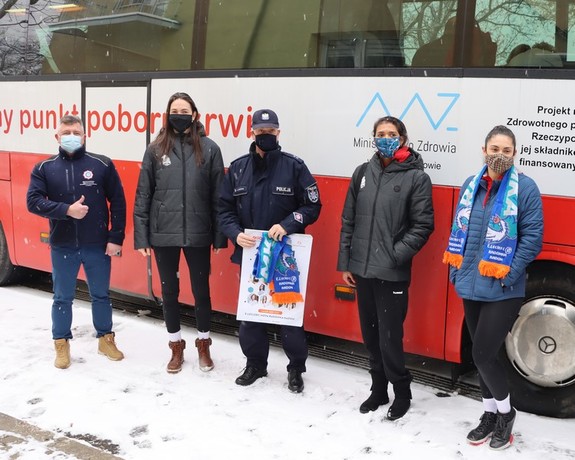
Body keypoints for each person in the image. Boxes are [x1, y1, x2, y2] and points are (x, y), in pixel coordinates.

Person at [443, 125, 543, 450]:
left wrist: (509, 275)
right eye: (494, 149)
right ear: (483, 150)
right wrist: (456, 273)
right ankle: (488, 414)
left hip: (503, 287)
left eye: (506, 150)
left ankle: (506, 413)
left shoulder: (525, 189)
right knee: (481, 355)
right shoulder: (471, 186)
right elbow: (460, 230)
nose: (500, 155)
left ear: (515, 154)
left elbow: (532, 239)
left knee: (483, 353)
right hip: (470, 284)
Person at [337, 116, 434, 420]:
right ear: (374, 138)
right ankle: (378, 389)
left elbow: (423, 226)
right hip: (363, 271)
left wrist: (394, 255)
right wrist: (346, 262)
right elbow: (348, 220)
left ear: (403, 138)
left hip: (392, 272)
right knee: (370, 336)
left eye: (392, 134)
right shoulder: (362, 173)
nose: (386, 138)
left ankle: (401, 392)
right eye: (381, 134)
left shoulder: (417, 178)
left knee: (390, 338)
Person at [218, 109, 321, 393]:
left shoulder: (295, 167)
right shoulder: (238, 168)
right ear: (251, 133)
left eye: (270, 132)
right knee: (251, 314)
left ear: (278, 133)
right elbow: (224, 210)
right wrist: (235, 234)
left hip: (286, 257)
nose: (265, 136)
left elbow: (312, 206)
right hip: (249, 254)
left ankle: (296, 368)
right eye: (260, 132)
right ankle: (255, 364)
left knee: (288, 314)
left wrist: (288, 224)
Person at [133, 92, 227, 374]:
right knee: (169, 292)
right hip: (164, 235)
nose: (180, 114)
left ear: (195, 114)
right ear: (168, 114)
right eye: (175, 110)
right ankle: (175, 346)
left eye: (185, 110)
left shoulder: (210, 149)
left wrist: (220, 236)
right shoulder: (155, 150)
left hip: (199, 233)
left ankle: (203, 344)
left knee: (201, 292)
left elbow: (219, 197)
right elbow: (143, 194)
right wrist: (142, 236)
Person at [26, 114, 127, 369]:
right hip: (63, 245)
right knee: (62, 297)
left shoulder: (102, 164)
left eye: (76, 131)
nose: (71, 136)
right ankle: (61, 343)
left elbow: (118, 201)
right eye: (66, 132)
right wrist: (66, 210)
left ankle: (106, 339)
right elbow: (33, 202)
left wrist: (115, 238)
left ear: (85, 135)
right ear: (57, 137)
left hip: (97, 244)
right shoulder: (44, 168)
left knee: (101, 295)